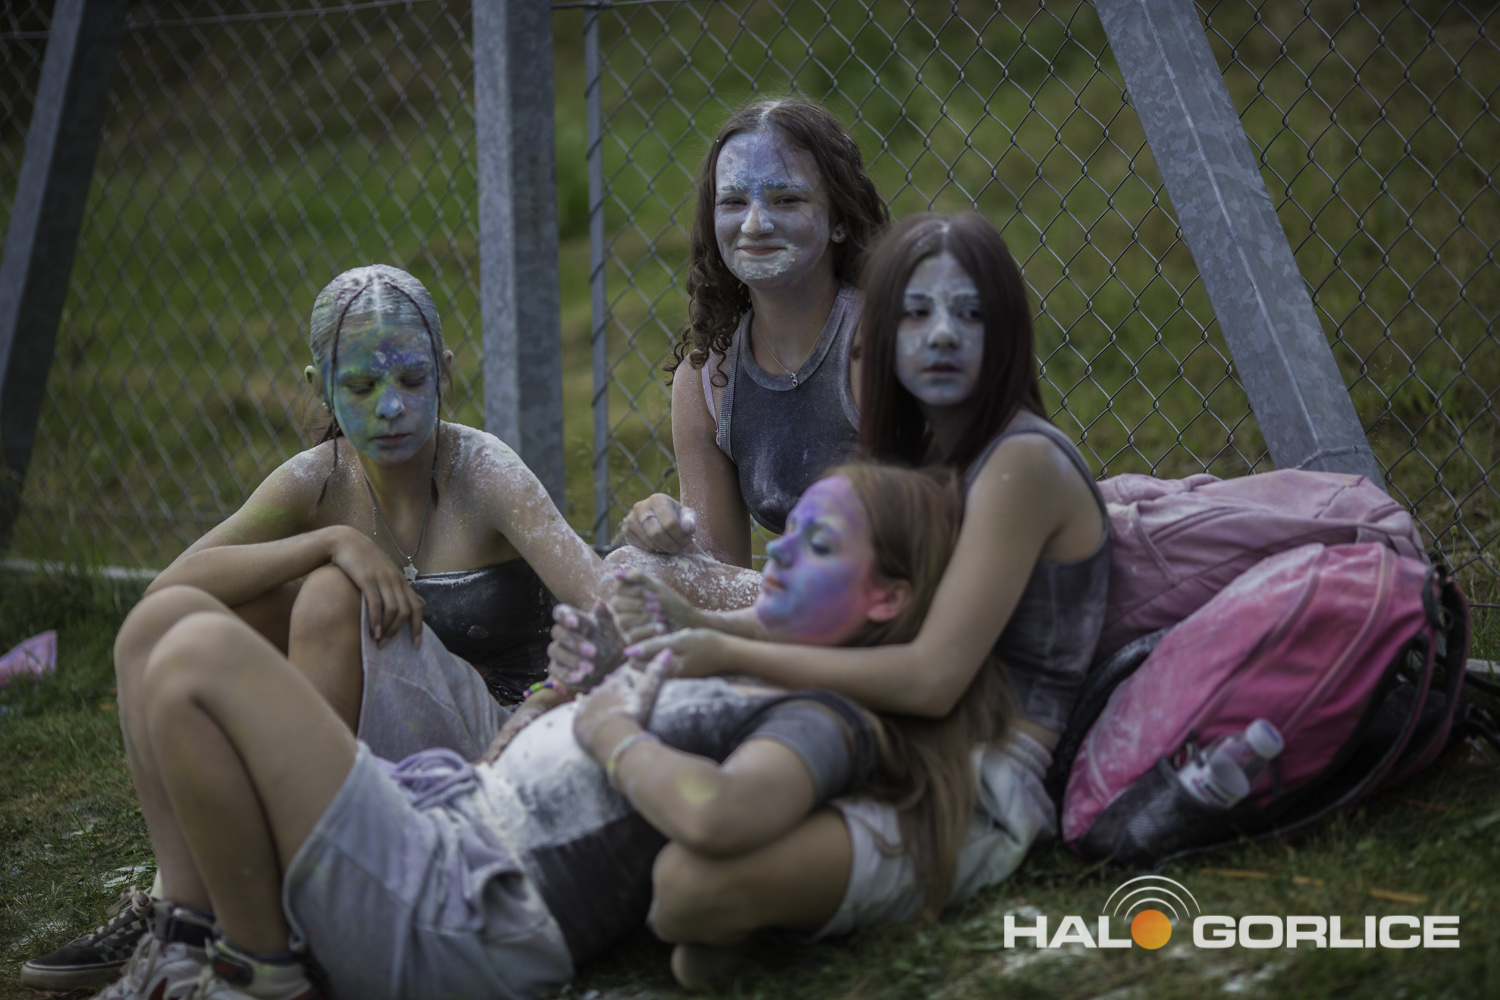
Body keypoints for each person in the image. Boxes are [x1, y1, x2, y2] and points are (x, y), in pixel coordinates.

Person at [89, 463, 1006, 1000]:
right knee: (155, 629)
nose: (781, 554)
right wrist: (558, 702)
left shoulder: (827, 716)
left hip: (456, 910)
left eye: (820, 545)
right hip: (442, 825)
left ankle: (259, 974)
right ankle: (189, 937)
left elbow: (719, 815)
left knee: (198, 654)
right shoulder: (737, 664)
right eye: (789, 530)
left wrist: (611, 731)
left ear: (887, 599)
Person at [21, 264, 612, 993]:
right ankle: (184, 919)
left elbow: (602, 603)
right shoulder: (317, 479)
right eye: (360, 386)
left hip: (494, 744)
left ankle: (297, 894)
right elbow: (165, 592)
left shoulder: (483, 470)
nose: (391, 407)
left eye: (413, 380)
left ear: (446, 372)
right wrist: (327, 542)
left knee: (331, 598)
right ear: (321, 385)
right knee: (163, 626)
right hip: (373, 740)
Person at [616, 213, 1111, 965]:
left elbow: (933, 679)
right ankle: (776, 916)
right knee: (685, 831)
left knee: (689, 888)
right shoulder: (923, 452)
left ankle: (773, 919)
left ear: (1008, 334)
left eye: (970, 313)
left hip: (975, 776)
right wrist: (693, 622)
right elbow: (856, 619)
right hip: (883, 730)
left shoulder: (1021, 463)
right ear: (877, 334)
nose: (941, 335)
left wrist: (724, 650)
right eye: (914, 313)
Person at [610, 96, 888, 606]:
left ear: (839, 221)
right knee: (631, 569)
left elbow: (919, 536)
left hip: (898, 596)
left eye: (787, 199)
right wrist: (666, 533)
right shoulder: (706, 376)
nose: (755, 224)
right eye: (734, 202)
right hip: (802, 605)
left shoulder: (878, 340)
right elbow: (717, 571)